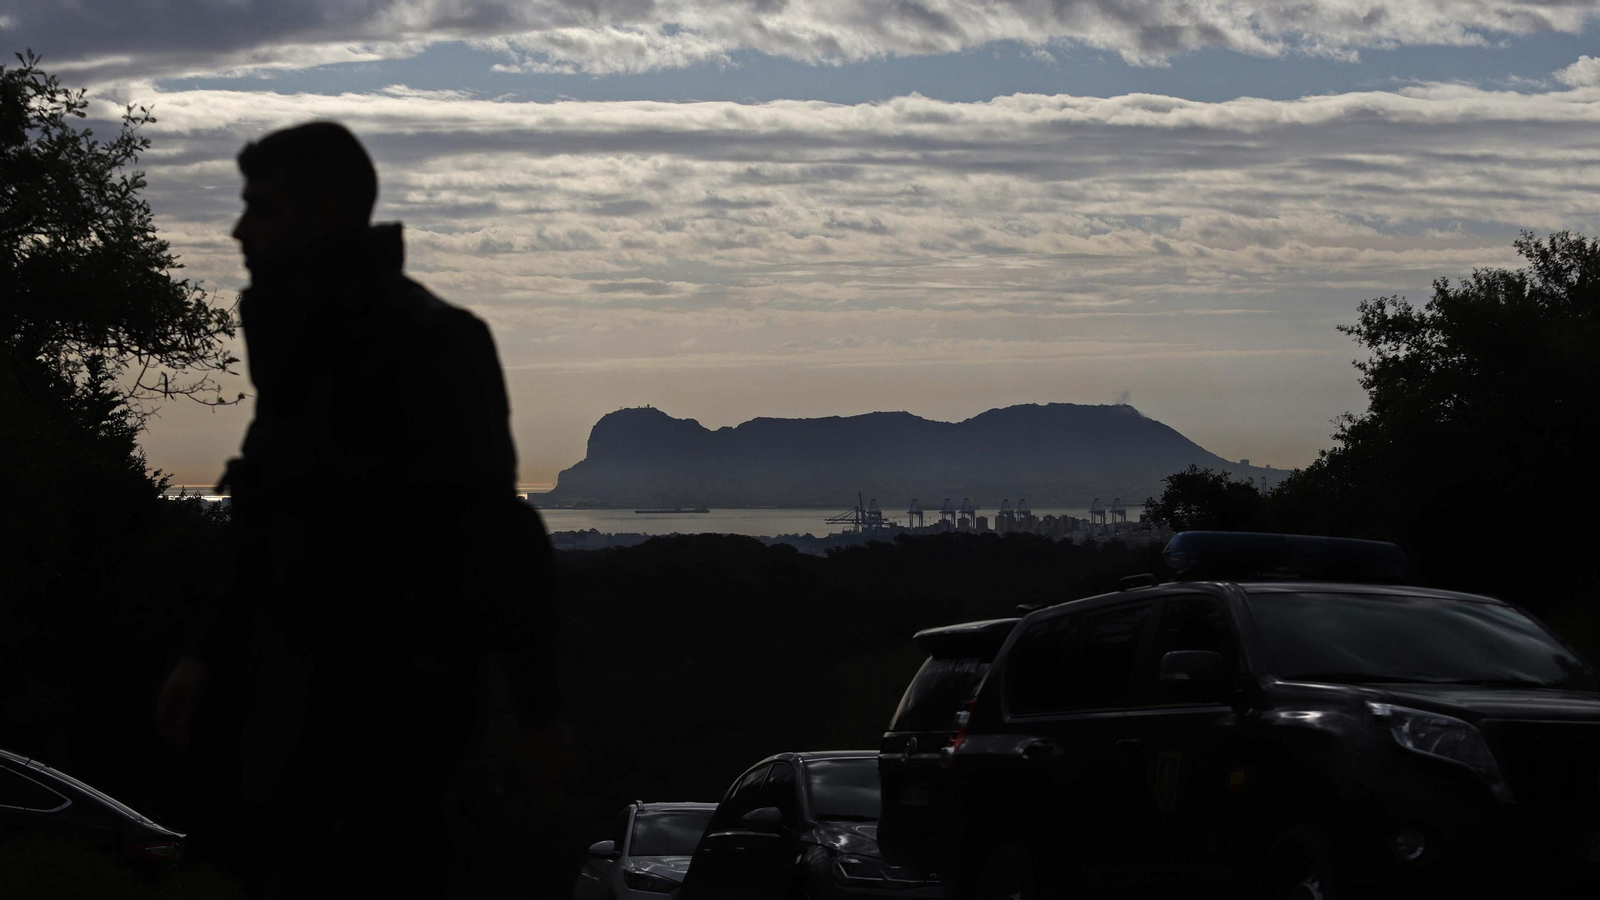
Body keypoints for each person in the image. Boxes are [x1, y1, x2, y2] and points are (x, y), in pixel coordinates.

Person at [155, 121, 567, 897]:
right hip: (289, 696)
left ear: (325, 214)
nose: (238, 230)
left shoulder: (433, 340)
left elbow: (493, 529)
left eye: (261, 207)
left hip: (398, 708)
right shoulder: (296, 341)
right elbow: (269, 513)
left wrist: (536, 710)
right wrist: (207, 654)